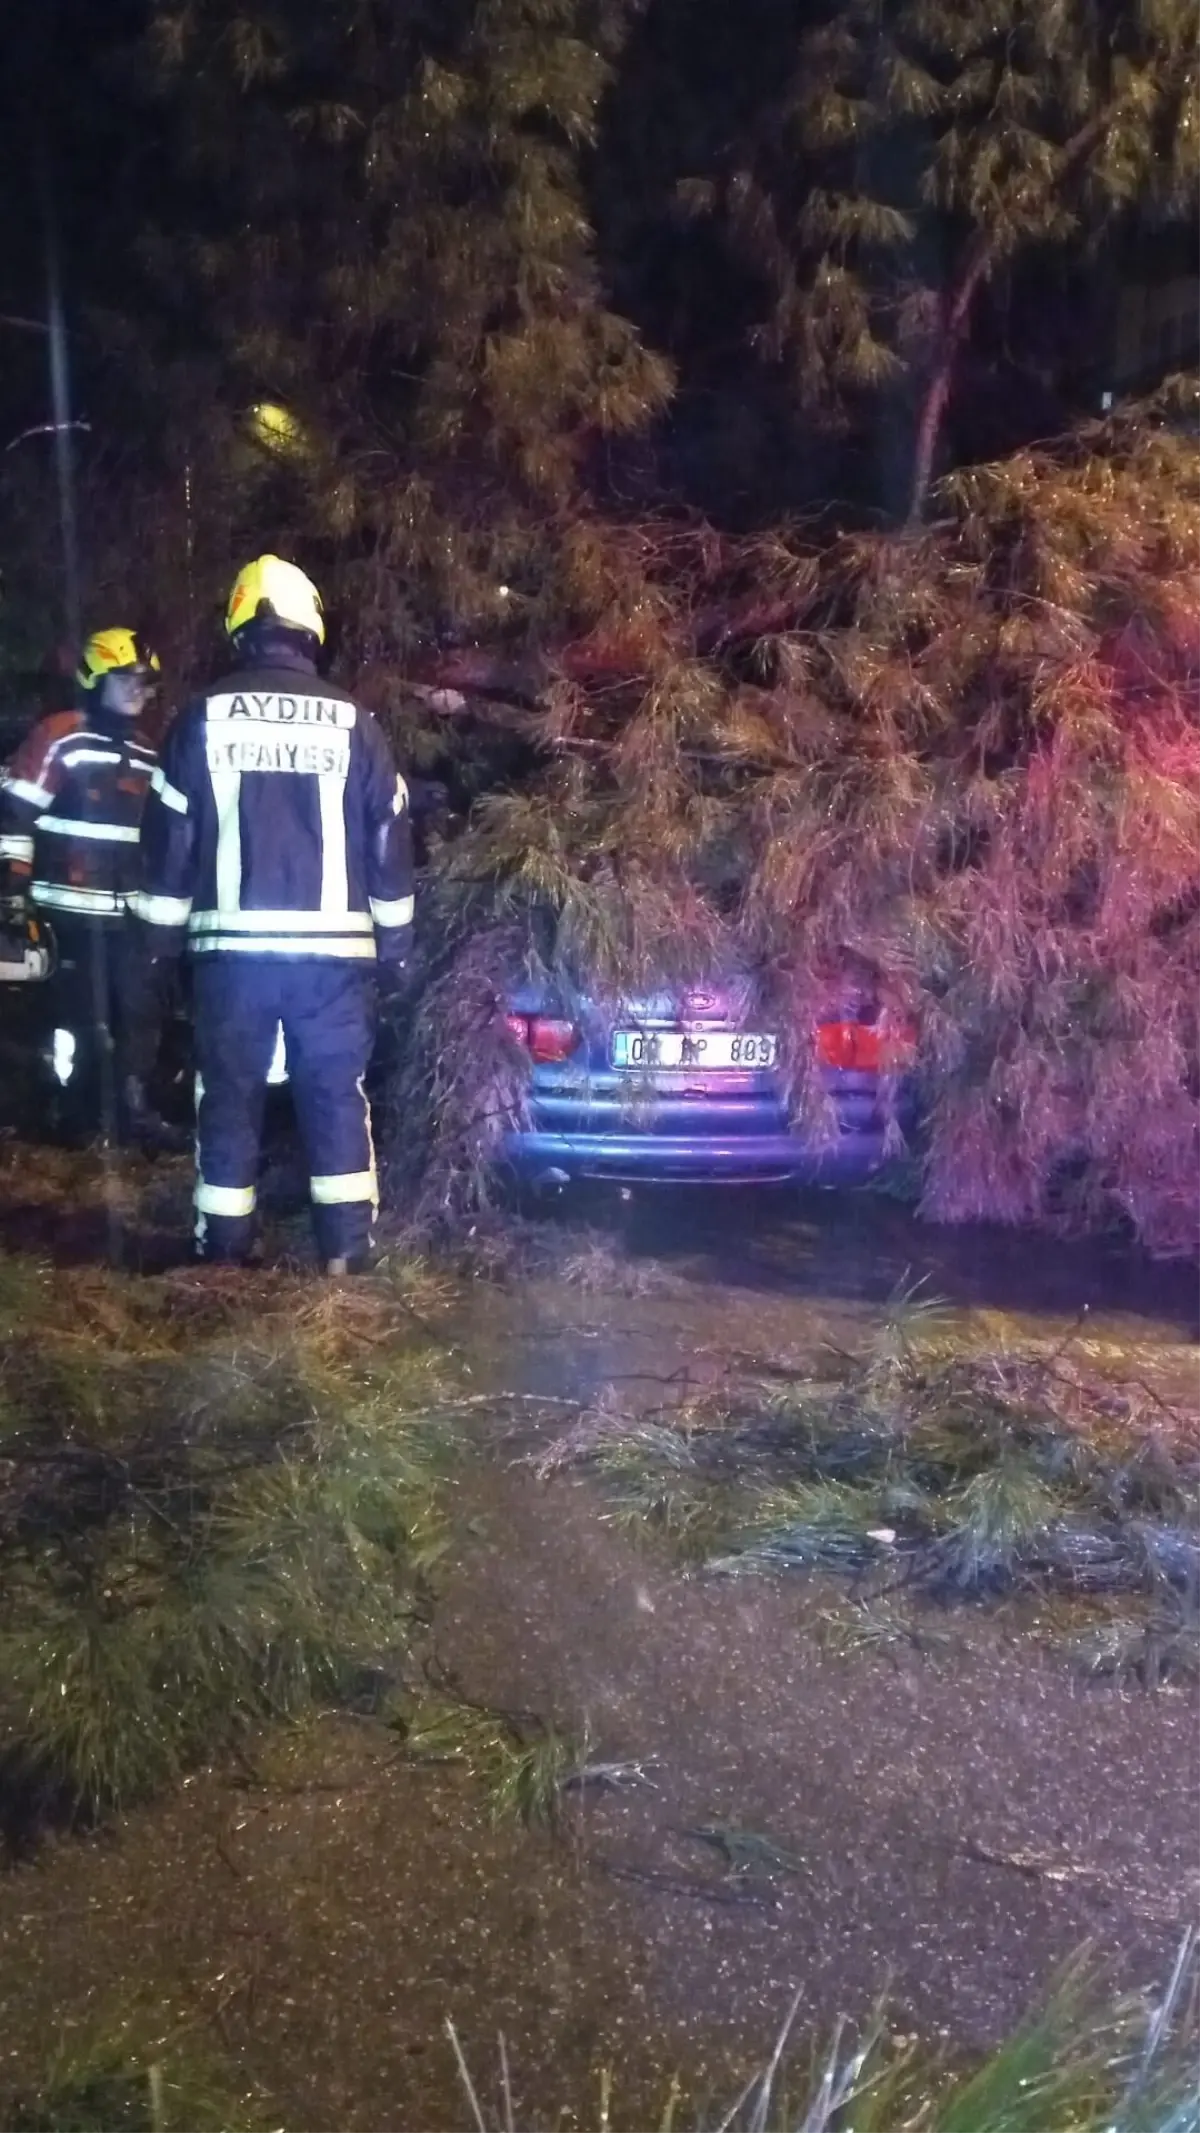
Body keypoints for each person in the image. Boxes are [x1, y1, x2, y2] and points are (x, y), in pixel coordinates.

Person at [129, 555, 413, 1272]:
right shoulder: (357, 723)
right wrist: (398, 945)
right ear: (310, 625)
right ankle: (347, 1256)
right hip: (334, 964)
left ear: (240, 626)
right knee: (334, 1100)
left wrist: (158, 948)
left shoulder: (202, 718)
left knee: (227, 1098)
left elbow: (170, 839)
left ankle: (221, 1252)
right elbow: (388, 837)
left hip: (232, 961)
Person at [0, 627, 180, 1146]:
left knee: (140, 1014)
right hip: (65, 910)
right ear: (95, 676)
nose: (142, 691)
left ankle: (131, 1112)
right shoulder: (59, 736)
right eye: (130, 679)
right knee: (75, 1019)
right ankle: (68, 1115)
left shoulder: (148, 751)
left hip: (126, 912)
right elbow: (16, 814)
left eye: (148, 683)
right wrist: (15, 892)